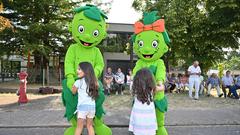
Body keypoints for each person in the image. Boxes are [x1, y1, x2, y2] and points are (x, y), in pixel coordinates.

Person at [72, 62, 98, 135]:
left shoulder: (78, 82)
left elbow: (73, 92)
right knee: (89, 126)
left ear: (86, 71)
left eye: (79, 69)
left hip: (82, 107)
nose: (77, 71)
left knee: (79, 127)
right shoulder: (94, 82)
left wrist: (73, 86)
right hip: (92, 107)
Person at [129, 68, 158, 135]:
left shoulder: (134, 86)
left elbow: (131, 91)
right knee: (149, 130)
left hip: (137, 111)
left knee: (138, 130)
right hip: (149, 110)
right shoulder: (152, 87)